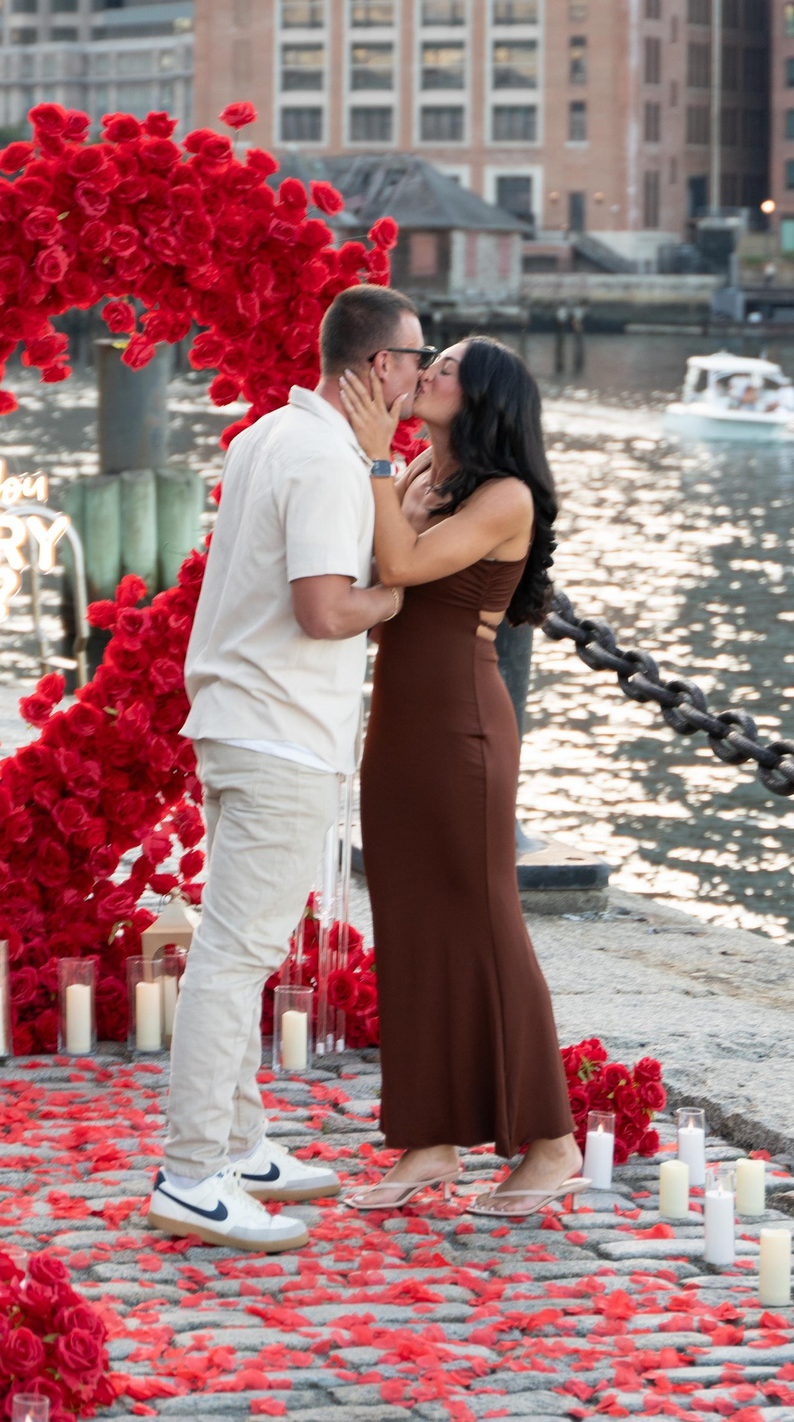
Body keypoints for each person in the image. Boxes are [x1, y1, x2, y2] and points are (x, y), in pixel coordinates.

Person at [146, 284, 432, 1254]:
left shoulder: (266, 435)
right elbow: (322, 607)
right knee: (236, 956)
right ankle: (191, 1172)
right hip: (277, 732)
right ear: (376, 368)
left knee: (233, 943)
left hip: (235, 720)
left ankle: (237, 1143)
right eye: (413, 358)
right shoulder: (323, 460)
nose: (421, 375)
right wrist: (393, 596)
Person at [335, 338, 579, 1218]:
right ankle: (431, 1143)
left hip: (462, 726)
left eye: (448, 367)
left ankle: (551, 1143)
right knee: (408, 924)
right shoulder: (413, 480)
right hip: (399, 723)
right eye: (429, 360)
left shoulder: (505, 496)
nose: (428, 371)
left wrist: (370, 456)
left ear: (486, 397)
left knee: (483, 921)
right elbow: (371, 589)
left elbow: (399, 569)